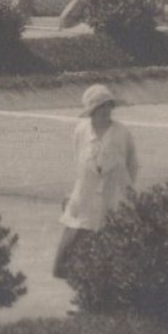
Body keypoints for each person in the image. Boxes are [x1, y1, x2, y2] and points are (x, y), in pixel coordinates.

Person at [53, 83, 139, 279]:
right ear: (91, 111)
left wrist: (128, 189)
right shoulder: (80, 130)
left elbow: (132, 163)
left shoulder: (122, 133)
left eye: (109, 106)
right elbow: (78, 161)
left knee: (114, 244)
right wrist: (73, 192)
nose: (106, 111)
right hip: (85, 195)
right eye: (100, 107)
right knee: (68, 256)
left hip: (114, 194)